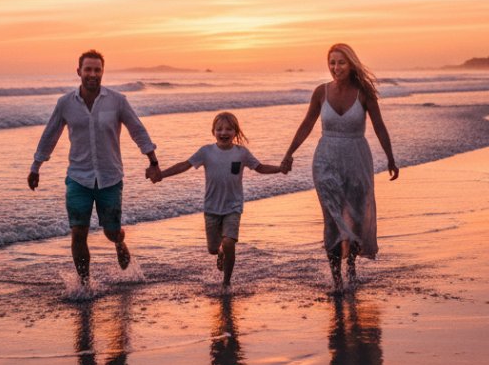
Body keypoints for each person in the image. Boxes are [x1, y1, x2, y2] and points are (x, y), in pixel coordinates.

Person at [29, 50, 161, 287]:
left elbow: (137, 130)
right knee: (78, 232)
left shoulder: (117, 101)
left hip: (110, 178)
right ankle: (85, 284)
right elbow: (50, 135)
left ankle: (119, 241)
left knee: (111, 232)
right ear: (78, 71)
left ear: (102, 72)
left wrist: (152, 160)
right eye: (88, 69)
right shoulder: (65, 104)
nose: (92, 74)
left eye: (97, 70)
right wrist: (36, 166)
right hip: (78, 178)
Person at [281, 43, 397, 290]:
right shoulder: (321, 92)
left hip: (357, 160)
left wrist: (390, 157)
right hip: (326, 160)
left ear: (351, 63)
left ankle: (351, 266)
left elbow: (379, 126)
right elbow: (306, 125)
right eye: (332, 62)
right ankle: (336, 280)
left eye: (341, 62)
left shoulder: (364, 92)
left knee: (354, 217)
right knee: (332, 218)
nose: (336, 67)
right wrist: (289, 153)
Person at [153, 111, 284, 290]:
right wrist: (161, 174)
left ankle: (226, 282)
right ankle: (220, 252)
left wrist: (280, 169)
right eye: (219, 129)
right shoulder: (206, 152)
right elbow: (185, 165)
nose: (224, 132)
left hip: (233, 207)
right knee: (213, 249)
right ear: (213, 131)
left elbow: (260, 167)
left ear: (235, 132)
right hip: (212, 208)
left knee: (229, 242)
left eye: (229, 129)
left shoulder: (241, 153)